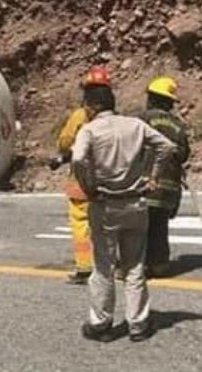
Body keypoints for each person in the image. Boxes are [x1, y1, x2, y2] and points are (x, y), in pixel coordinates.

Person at [70, 84, 177, 342]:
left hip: (105, 205)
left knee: (104, 266)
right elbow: (167, 147)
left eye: (86, 105)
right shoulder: (135, 125)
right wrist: (153, 176)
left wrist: (88, 185)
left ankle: (101, 324)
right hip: (136, 203)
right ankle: (138, 323)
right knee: (134, 265)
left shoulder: (90, 130)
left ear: (93, 105)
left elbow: (77, 159)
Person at [53, 65, 112, 285]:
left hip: (81, 181)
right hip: (107, 177)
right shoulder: (113, 118)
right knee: (106, 223)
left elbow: (64, 141)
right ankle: (110, 264)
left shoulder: (80, 116)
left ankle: (85, 267)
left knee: (80, 223)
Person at [138, 76, 191, 278]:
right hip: (169, 190)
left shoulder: (142, 119)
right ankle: (159, 264)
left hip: (146, 185)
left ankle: (137, 265)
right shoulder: (178, 125)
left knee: (139, 228)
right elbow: (184, 155)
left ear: (152, 98)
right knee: (160, 227)